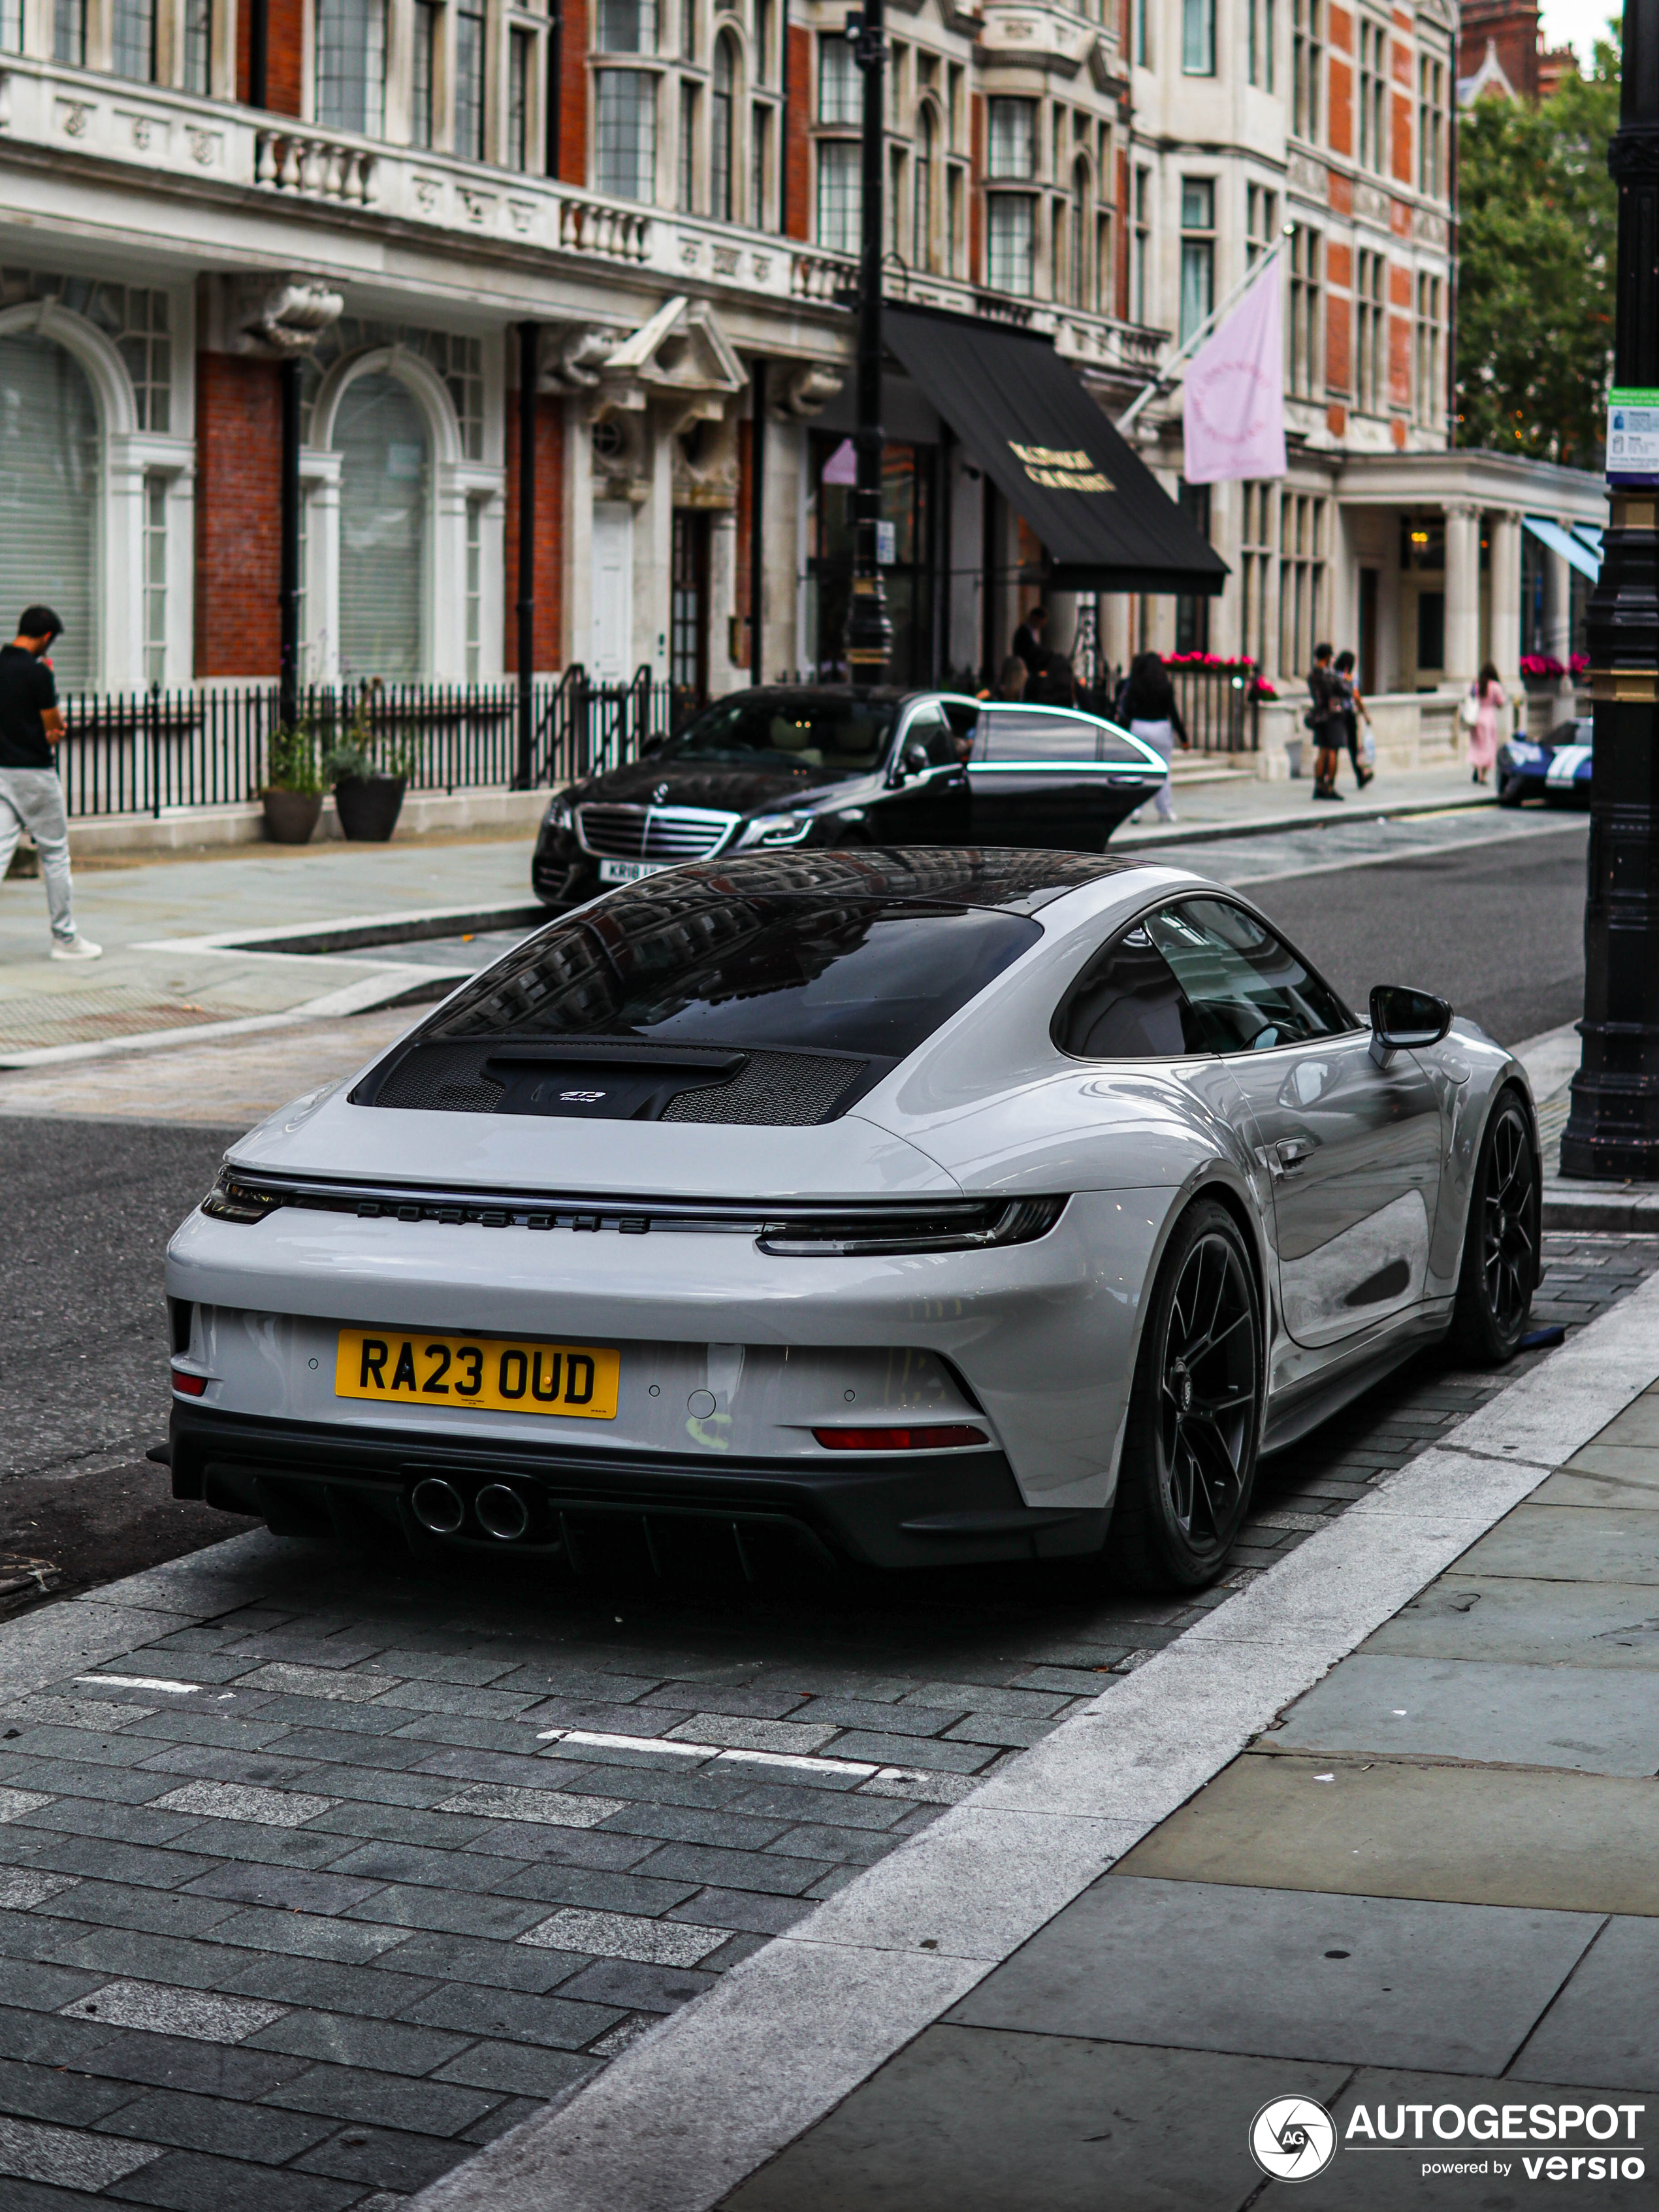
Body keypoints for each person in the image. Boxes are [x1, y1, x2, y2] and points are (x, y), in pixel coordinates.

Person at [0, 608, 100, 960]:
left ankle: (66, 937)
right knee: (55, 855)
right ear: (45, 638)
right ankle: (65, 938)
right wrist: (48, 686)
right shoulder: (38, 673)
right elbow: (53, 729)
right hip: (35, 775)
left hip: (1, 771)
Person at [1120, 649, 1189, 822]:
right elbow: (1173, 712)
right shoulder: (1164, 685)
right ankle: (1166, 810)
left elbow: (1126, 710)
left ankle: (1136, 810)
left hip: (1139, 726)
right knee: (1163, 771)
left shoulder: (1135, 684)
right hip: (1160, 727)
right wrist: (1184, 737)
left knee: (1137, 770)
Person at [1306, 641, 1344, 800]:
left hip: (1318, 715)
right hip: (1332, 716)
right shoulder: (1331, 675)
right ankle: (1330, 787)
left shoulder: (1312, 675)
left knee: (1321, 751)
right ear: (1328, 656)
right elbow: (1344, 691)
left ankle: (1319, 786)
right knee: (1333, 751)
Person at [1334, 649, 1374, 790]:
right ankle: (1360, 776)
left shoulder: (1333, 675)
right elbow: (1356, 697)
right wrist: (1365, 715)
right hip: (1348, 714)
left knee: (1333, 748)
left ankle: (1327, 780)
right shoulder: (1351, 677)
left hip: (1335, 713)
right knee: (1353, 747)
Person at [1468, 659, 1506, 785]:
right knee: (1488, 746)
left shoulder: (1477, 685)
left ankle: (1476, 768)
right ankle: (1482, 776)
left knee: (1477, 745)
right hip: (1489, 719)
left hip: (1476, 717)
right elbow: (1501, 703)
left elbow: (1470, 697)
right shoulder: (1495, 687)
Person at [1012, 604, 1048, 677]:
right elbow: (1028, 651)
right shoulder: (1024, 632)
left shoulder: (1032, 632)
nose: (1042, 625)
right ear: (1035, 618)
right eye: (1042, 622)